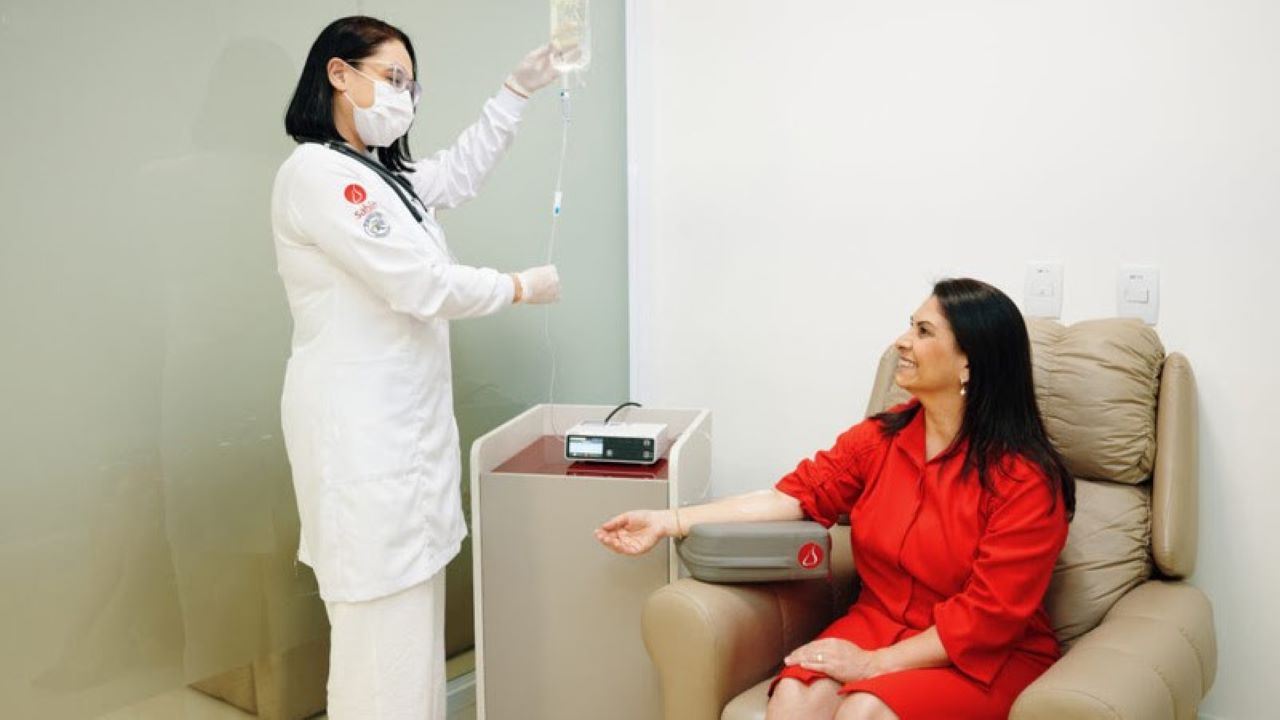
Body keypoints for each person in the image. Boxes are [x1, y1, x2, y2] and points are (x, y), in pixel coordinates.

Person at [597, 278, 1075, 720]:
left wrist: (875, 664)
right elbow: (791, 497)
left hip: (983, 654)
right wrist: (668, 519)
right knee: (794, 696)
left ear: (969, 362)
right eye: (910, 326)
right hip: (880, 622)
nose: (901, 342)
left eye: (923, 331)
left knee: (865, 711)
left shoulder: (1026, 480)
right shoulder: (880, 440)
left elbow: (988, 618)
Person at [271, 16, 562, 719]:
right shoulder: (318, 175)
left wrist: (515, 91)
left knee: (413, 647)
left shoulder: (380, 175)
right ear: (339, 73)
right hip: (361, 441)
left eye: (411, 84)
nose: (403, 95)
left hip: (405, 437)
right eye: (391, 77)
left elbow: (457, 172)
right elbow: (418, 285)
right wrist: (517, 286)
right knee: (380, 656)